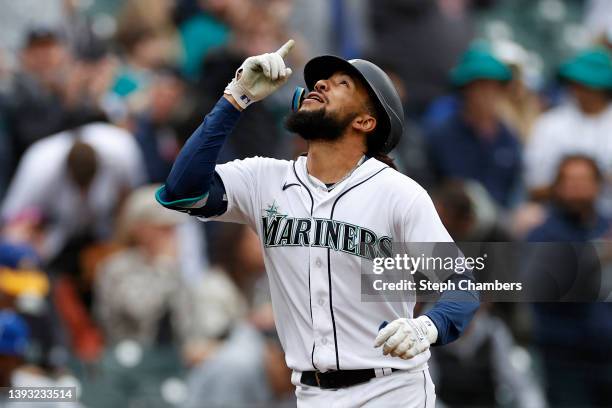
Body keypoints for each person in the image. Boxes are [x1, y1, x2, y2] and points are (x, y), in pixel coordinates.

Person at [156, 39, 479, 406]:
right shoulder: (265, 179)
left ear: (365, 121)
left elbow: (462, 285)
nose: (322, 84)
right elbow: (181, 191)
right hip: (310, 394)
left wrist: (429, 326)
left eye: (342, 84)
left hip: (392, 391)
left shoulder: (398, 193)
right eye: (320, 82)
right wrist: (236, 98)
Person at [526, 155, 612, 407]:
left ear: (598, 185)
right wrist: (596, 256)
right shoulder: (542, 234)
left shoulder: (607, 226)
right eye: (570, 181)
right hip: (565, 357)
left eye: (584, 180)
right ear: (557, 187)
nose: (577, 188)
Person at [426, 43, 522, 208]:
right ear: (465, 91)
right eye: (480, 87)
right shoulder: (441, 136)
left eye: (494, 88)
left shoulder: (509, 139)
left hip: (501, 223)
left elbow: (515, 193)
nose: (488, 95)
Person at [525, 46, 612, 214]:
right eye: (575, 83)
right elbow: (534, 188)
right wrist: (575, 185)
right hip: (557, 214)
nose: (579, 90)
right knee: (528, 217)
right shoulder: (549, 124)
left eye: (587, 85)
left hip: (609, 214)